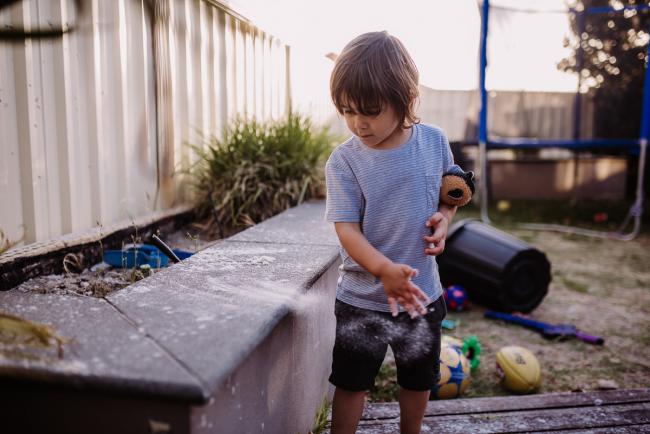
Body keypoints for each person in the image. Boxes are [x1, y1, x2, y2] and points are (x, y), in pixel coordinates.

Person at [325, 31, 466, 434]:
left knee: (418, 378)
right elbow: (346, 230)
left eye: (368, 110)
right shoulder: (345, 161)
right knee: (352, 382)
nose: (357, 123)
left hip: (421, 296)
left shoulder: (434, 141)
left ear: (403, 98)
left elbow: (450, 192)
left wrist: (444, 216)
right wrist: (383, 269)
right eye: (346, 111)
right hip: (362, 300)